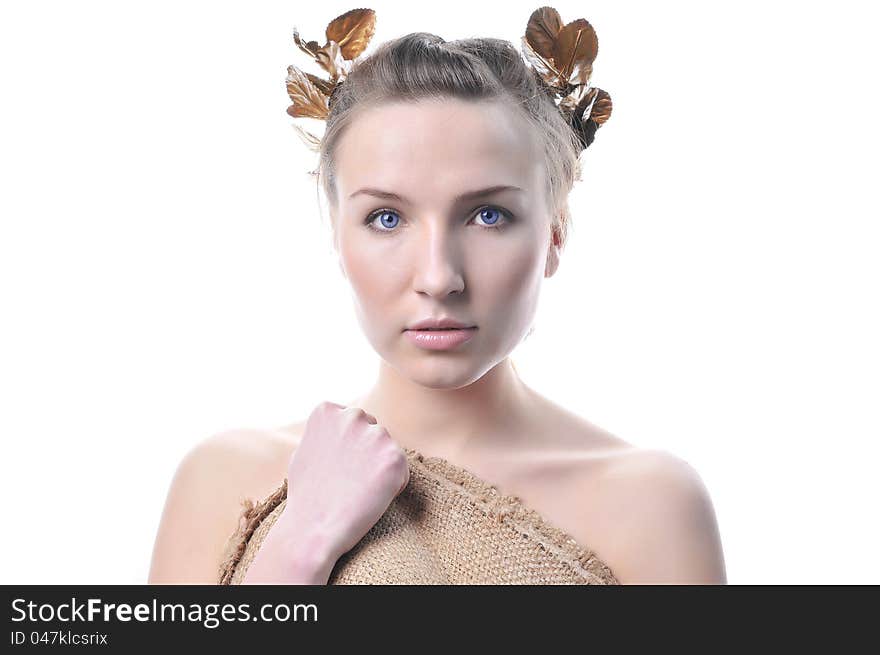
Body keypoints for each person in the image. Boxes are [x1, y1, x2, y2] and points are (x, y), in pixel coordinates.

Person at [148, 7, 726, 585]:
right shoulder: (227, 482)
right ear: (336, 234)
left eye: (487, 215)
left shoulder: (650, 507)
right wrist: (299, 543)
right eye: (386, 218)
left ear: (554, 235)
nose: (438, 276)